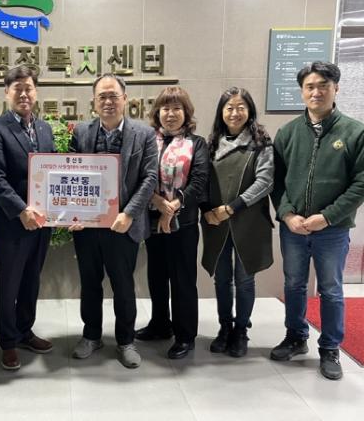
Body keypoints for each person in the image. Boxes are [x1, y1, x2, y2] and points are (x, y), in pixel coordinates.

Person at [270, 61, 364, 380]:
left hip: (332, 230)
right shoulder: (288, 133)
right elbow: (276, 181)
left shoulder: (354, 132)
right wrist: (287, 214)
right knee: (294, 284)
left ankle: (330, 348)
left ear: (336, 88)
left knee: (331, 289)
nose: (316, 92)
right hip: (294, 228)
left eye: (323, 85)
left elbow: (361, 183)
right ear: (301, 92)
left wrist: (328, 216)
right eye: (310, 86)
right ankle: (296, 336)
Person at [69, 73, 157, 369]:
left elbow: (149, 178)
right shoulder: (81, 132)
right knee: (89, 283)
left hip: (123, 225)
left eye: (113, 96)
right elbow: (71, 173)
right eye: (102, 96)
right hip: (88, 227)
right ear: (94, 102)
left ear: (125, 99)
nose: (108, 101)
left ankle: (125, 341)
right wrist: (73, 212)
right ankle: (91, 335)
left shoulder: (144, 134)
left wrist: (129, 213)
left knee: (123, 285)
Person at [0, 65, 55, 371]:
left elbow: (54, 172)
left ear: (35, 92)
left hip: (42, 222)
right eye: (18, 89)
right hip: (14, 222)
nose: (24, 94)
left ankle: (25, 331)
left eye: (29, 88)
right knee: (9, 283)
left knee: (31, 279)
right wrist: (21, 210)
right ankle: (8, 343)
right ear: (7, 93)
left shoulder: (44, 128)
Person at [134, 86, 208, 360]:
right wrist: (157, 201)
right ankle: (160, 324)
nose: (171, 113)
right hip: (152, 220)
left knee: (182, 280)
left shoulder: (196, 143)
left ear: (186, 113)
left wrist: (173, 206)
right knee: (156, 276)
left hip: (183, 223)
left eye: (177, 108)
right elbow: (139, 176)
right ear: (157, 113)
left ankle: (185, 335)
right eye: (165, 108)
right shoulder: (147, 141)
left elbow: (199, 181)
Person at [201, 87, 274, 358]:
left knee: (244, 280)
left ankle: (241, 330)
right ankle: (225, 327)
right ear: (221, 112)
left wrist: (231, 208)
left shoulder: (261, 143)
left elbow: (265, 182)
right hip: (215, 222)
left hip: (248, 223)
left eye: (241, 107)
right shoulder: (211, 144)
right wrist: (207, 210)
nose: (235, 113)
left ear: (249, 111)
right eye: (229, 107)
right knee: (222, 279)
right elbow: (202, 181)